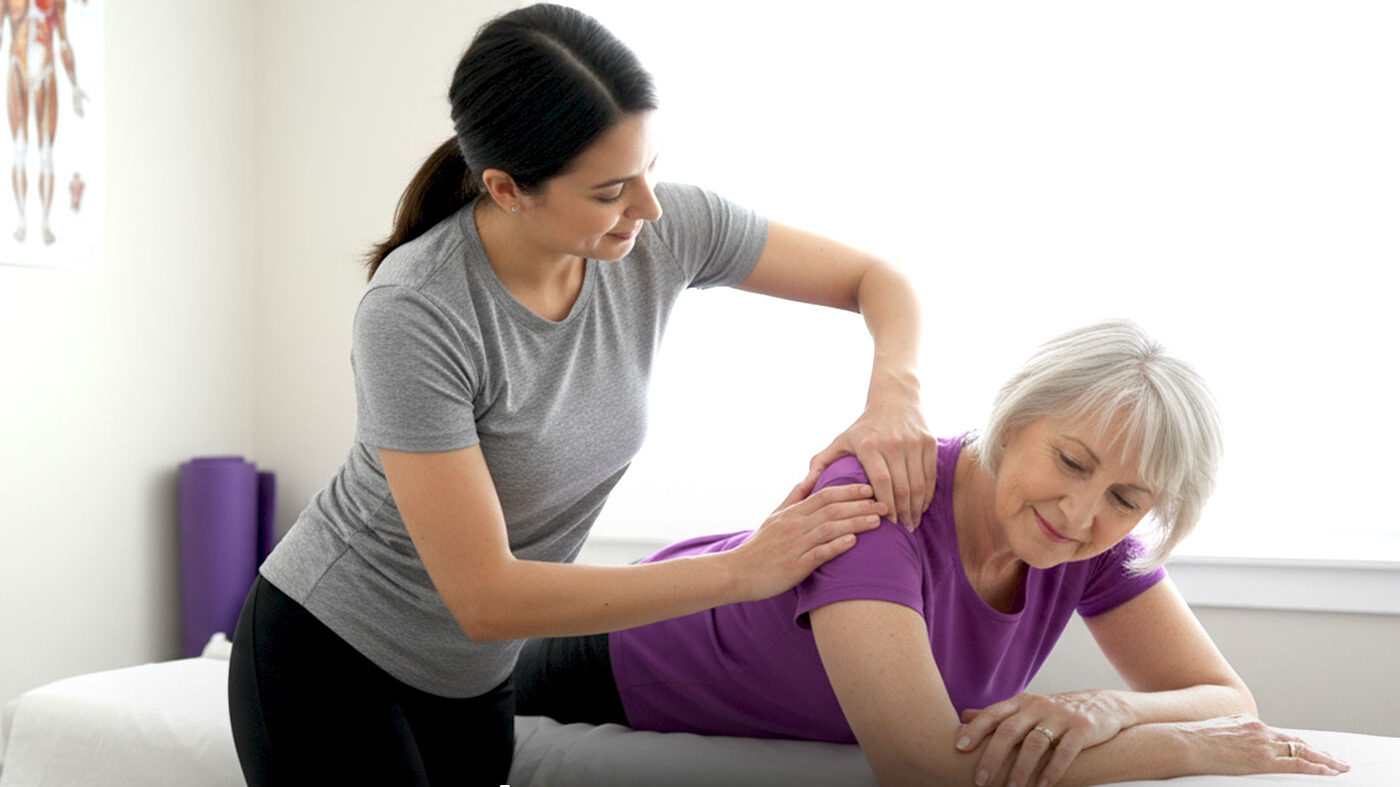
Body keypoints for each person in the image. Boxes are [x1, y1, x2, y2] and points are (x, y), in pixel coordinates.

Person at [226, 4, 939, 785]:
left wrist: (894, 396)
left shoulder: (659, 234)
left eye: (650, 167)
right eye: (610, 191)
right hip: (332, 654)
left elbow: (880, 279)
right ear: (507, 188)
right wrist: (745, 569)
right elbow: (486, 597)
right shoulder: (418, 311)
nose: (649, 206)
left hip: (472, 681)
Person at [514, 319, 1352, 787]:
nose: (1082, 511)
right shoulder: (884, 499)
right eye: (1071, 461)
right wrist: (1184, 746)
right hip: (590, 659)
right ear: (1017, 420)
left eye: (1128, 499)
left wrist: (1112, 707)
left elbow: (1224, 696)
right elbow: (921, 767)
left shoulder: (1098, 537)